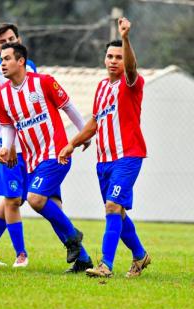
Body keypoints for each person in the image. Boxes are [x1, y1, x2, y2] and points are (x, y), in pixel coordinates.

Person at [58, 17, 151, 278]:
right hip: (104, 160)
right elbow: (94, 123)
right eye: (110, 56)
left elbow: (132, 69)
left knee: (112, 207)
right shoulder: (101, 88)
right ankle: (140, 256)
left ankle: (105, 266)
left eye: (118, 57)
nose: (113, 61)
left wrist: (126, 38)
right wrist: (71, 144)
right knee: (118, 213)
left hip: (128, 156)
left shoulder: (131, 83)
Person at [0, 42, 93, 272]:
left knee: (35, 199)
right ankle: (84, 260)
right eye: (1, 60)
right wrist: (6, 147)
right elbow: (8, 126)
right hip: (32, 160)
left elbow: (68, 107)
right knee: (54, 208)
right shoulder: (2, 95)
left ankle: (72, 237)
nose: (3, 64)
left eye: (7, 59)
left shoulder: (44, 82)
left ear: (21, 61)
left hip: (56, 153)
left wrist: (82, 135)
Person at [0, 23, 38, 268]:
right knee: (13, 199)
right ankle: (21, 254)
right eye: (3, 42)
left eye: (12, 38)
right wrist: (6, 144)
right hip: (6, 146)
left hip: (29, 144)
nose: (8, 43)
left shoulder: (31, 66)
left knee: (15, 200)